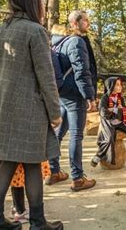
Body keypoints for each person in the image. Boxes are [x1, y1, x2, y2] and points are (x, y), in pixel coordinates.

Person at [0, 0, 63, 230]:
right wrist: (55, 112)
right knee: (31, 164)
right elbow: (46, 75)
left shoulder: (1, 30)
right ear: (33, 3)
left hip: (2, 102)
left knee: (7, 161)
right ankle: (38, 223)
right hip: (29, 107)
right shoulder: (35, 31)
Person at [46, 11, 97, 192]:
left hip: (61, 92)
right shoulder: (76, 42)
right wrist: (90, 96)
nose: (88, 23)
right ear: (75, 23)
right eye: (86, 20)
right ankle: (77, 178)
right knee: (76, 134)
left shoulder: (56, 43)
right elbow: (82, 71)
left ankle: (54, 172)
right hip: (74, 94)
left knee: (59, 133)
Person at [91, 77, 126, 167]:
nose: (120, 87)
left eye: (120, 84)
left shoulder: (120, 98)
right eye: (117, 85)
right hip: (108, 121)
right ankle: (98, 156)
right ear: (110, 86)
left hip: (119, 121)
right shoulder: (104, 99)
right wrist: (116, 109)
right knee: (108, 139)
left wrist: (114, 110)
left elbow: (124, 109)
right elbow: (103, 112)